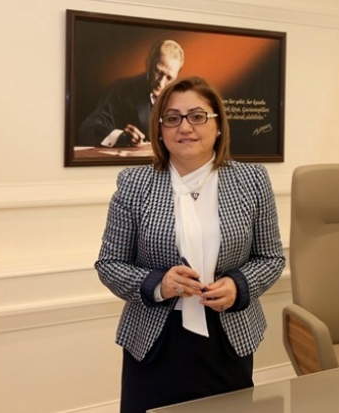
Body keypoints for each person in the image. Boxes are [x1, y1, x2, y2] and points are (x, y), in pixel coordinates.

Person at [95, 76, 285, 412]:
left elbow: (270, 258)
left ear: (218, 125)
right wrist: (159, 284)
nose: (185, 127)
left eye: (197, 116)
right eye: (172, 118)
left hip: (228, 340)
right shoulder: (134, 184)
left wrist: (238, 285)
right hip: (154, 343)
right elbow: (110, 264)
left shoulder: (252, 180)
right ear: (159, 129)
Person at [77, 39, 184, 147]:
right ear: (149, 63)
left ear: (176, 77)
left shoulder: (181, 98)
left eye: (169, 78)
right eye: (159, 72)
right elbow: (89, 127)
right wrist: (120, 137)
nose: (161, 82)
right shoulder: (123, 91)